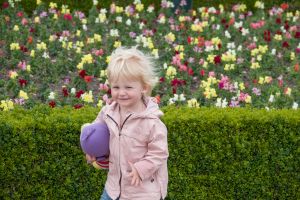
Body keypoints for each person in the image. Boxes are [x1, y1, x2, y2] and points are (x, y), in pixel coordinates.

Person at [86, 46, 169, 200]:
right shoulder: (108, 112)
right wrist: (92, 149)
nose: (121, 92)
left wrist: (141, 169)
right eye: (116, 87)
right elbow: (97, 131)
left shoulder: (152, 122)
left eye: (128, 87)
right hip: (113, 188)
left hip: (142, 191)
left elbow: (160, 153)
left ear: (144, 87)